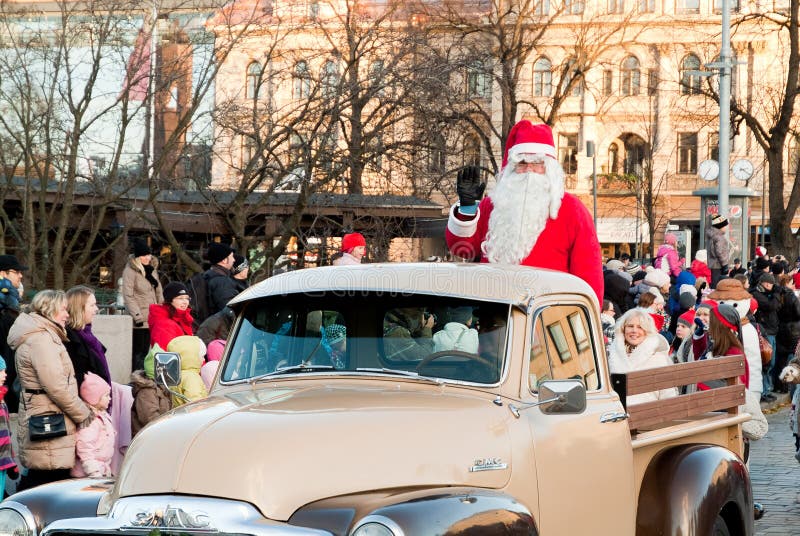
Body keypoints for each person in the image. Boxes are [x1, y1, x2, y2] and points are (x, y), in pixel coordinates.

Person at [445, 120, 603, 304]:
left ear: (549, 168)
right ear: (512, 168)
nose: (529, 170)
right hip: (494, 314)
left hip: (548, 315)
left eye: (537, 163)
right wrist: (467, 209)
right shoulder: (494, 204)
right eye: (521, 163)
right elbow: (463, 250)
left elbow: (589, 275)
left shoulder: (572, 209)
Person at [7, 290, 92, 490]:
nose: (67, 315)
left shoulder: (41, 335)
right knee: (47, 481)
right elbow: (56, 386)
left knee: (43, 478)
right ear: (50, 310)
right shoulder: (41, 340)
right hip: (49, 417)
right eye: (63, 309)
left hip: (45, 414)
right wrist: (83, 413)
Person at [707, 279, 764, 404]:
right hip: (734, 394)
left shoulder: (746, 331)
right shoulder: (721, 334)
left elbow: (750, 365)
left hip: (745, 391)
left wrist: (752, 392)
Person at [606, 308, 677, 404]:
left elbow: (668, 397)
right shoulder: (611, 355)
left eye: (640, 327)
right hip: (616, 414)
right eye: (630, 326)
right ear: (623, 329)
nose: (634, 330)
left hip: (648, 415)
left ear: (647, 331)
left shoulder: (659, 359)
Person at [122, 239, 163, 371]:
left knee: (151, 353)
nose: (148, 258)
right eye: (144, 255)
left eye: (149, 254)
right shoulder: (130, 271)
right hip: (140, 320)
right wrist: (137, 316)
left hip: (154, 317)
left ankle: (148, 378)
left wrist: (162, 310)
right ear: (138, 257)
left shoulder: (152, 270)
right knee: (139, 354)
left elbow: (158, 291)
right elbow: (128, 296)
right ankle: (137, 381)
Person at [64, 286, 112, 389]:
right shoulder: (69, 338)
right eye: (92, 305)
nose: (97, 309)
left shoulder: (87, 334)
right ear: (79, 308)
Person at [692, 303, 748, 390]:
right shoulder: (717, 343)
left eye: (712, 322)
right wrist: (698, 337)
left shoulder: (734, 352)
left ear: (720, 326)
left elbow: (737, 388)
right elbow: (699, 357)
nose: (709, 325)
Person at [70, 372, 115, 478]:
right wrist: (94, 472)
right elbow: (84, 447)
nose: (110, 398)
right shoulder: (91, 421)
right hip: (86, 475)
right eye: (106, 395)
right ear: (94, 398)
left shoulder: (102, 416)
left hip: (100, 471)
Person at [0, 254, 27, 413]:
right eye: (16, 271)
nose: (20, 275)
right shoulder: (5, 307)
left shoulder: (9, 301)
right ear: (3, 273)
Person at [130, 345, 173, 437]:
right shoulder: (146, 392)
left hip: (159, 434)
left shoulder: (161, 387)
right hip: (148, 438)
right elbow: (150, 418)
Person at [751, 273, 780, 395]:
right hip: (766, 331)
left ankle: (767, 390)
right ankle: (764, 391)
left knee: (770, 363)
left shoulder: (768, 293)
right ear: (764, 283)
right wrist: (776, 294)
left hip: (772, 330)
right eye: (769, 284)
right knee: (767, 362)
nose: (771, 286)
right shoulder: (756, 294)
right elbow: (771, 306)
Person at [149, 282, 194, 350]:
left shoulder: (183, 319)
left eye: (187, 298)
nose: (185, 302)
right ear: (170, 301)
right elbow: (165, 355)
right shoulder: (163, 324)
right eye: (180, 298)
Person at [166, 335, 208, 405]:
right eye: (202, 356)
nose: (204, 359)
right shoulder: (191, 378)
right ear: (193, 357)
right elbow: (196, 405)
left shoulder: (177, 375)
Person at [204, 242, 239, 318]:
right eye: (232, 257)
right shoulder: (222, 282)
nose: (234, 260)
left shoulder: (208, 275)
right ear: (224, 260)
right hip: (219, 328)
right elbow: (229, 311)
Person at [0, 356, 19, 496]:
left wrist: (10, 461)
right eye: (1, 371)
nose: (5, 374)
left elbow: (7, 434)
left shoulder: (2, 400)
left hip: (3, 462)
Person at [706, 214, 731, 287]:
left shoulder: (712, 235)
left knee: (715, 283)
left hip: (714, 264)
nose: (726, 227)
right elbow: (719, 252)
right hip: (719, 265)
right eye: (725, 225)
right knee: (719, 285)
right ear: (720, 226)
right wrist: (725, 264)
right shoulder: (719, 237)